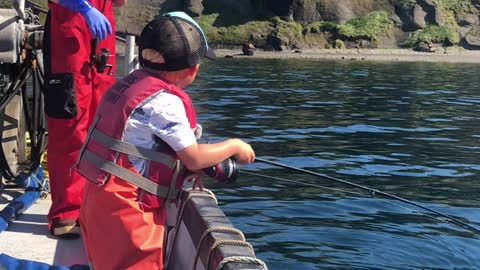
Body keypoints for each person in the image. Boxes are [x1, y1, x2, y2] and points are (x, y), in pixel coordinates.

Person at [74, 11, 256, 269]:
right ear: (193, 69)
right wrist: (235, 146)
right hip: (127, 211)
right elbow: (193, 158)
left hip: (98, 198)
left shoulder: (129, 85)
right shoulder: (165, 102)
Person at [43, 0, 127, 238]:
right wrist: (84, 8)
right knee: (70, 125)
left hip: (101, 36)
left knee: (103, 122)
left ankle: (94, 205)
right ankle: (66, 211)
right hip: (68, 34)